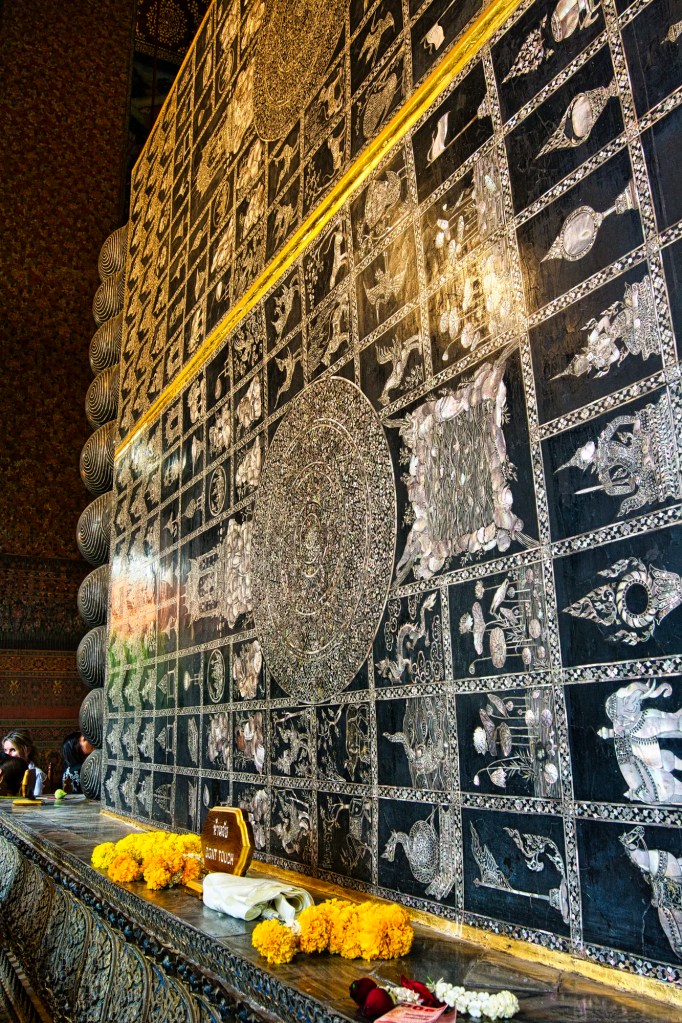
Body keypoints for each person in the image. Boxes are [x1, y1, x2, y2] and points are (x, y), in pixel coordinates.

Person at [3, 728, 46, 796]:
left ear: (27, 751)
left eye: (13, 750)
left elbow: (37, 800)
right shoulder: (4, 773)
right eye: (5, 750)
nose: (7, 754)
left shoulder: (37, 774)